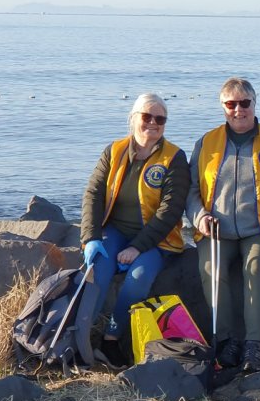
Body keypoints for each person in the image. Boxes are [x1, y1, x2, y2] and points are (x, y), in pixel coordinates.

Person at [187, 77, 260, 373]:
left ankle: (254, 346)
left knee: (254, 269)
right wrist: (200, 216)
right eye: (231, 104)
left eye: (244, 103)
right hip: (216, 230)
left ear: (255, 104)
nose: (238, 110)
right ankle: (228, 342)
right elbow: (190, 190)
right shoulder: (206, 142)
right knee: (211, 271)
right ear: (223, 107)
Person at [81, 93, 190, 367]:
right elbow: (93, 193)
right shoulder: (114, 151)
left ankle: (110, 341)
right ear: (133, 119)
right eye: (146, 116)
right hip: (114, 231)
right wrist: (90, 238)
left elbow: (170, 210)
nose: (153, 123)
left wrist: (137, 247)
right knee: (99, 271)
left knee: (138, 279)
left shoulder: (174, 158)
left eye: (160, 118)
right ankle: (79, 338)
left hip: (156, 239)